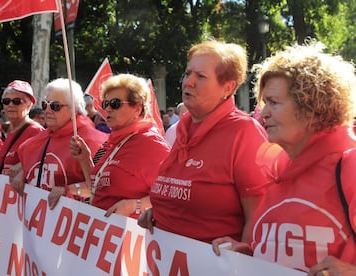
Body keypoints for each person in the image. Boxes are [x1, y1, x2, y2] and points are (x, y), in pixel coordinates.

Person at [212, 43, 356, 275]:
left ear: (311, 107)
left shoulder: (349, 166)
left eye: (274, 102)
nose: (263, 113)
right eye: (264, 103)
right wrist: (250, 255)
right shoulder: (276, 171)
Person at [138, 40, 268, 244]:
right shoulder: (181, 129)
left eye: (200, 76)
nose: (188, 82)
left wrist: (246, 251)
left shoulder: (244, 132)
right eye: (188, 73)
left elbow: (260, 214)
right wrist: (160, 212)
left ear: (228, 87)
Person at [69, 73, 170, 219]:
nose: (107, 109)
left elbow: (171, 198)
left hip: (130, 238)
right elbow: (97, 189)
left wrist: (134, 205)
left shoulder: (151, 144)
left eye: (115, 104)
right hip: (103, 233)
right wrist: (85, 159)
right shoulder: (114, 142)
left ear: (137, 108)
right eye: (105, 103)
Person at [10, 78, 108, 209]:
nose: (48, 110)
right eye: (45, 105)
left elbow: (101, 187)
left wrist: (70, 190)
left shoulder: (95, 142)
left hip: (73, 221)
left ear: (74, 109)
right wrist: (23, 172)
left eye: (55, 106)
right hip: (35, 221)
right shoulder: (37, 140)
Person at [0, 80, 45, 178]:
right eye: (6, 101)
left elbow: (45, 162)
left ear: (29, 105)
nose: (10, 105)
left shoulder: (35, 131)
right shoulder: (9, 131)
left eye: (16, 101)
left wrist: (23, 167)